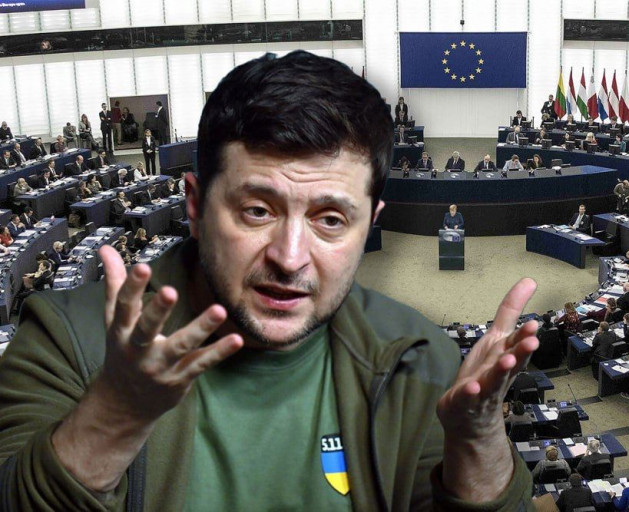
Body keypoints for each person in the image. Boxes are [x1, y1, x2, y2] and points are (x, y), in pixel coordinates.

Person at [0, 51, 541, 510]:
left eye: (331, 220)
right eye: (257, 211)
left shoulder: (420, 358)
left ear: (370, 225)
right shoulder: (64, 339)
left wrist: (478, 442)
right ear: (195, 206)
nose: (290, 257)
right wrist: (114, 416)